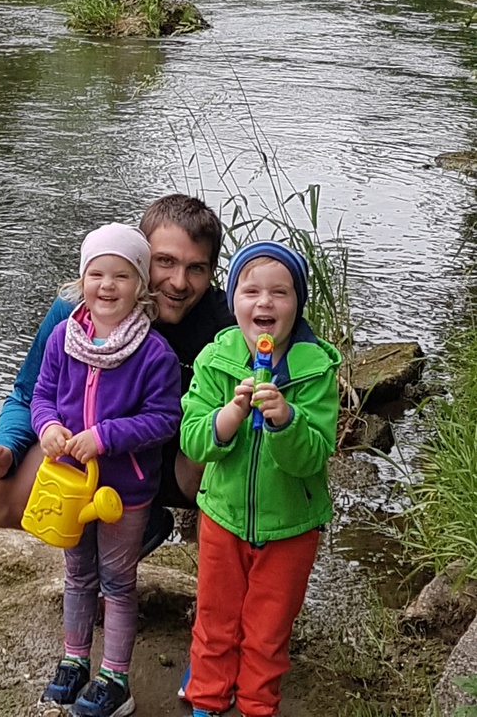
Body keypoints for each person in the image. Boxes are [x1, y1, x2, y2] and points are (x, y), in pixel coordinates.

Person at [0, 194, 233, 544]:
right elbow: (28, 395)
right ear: (140, 256)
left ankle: (201, 547)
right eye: (164, 262)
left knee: (212, 444)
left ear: (211, 272)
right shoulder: (76, 312)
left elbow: (290, 329)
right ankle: (136, 527)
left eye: (196, 268)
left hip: (173, 463)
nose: (179, 282)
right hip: (97, 455)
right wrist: (7, 452)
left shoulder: (226, 326)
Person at [180, 241, 341, 717]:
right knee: (214, 621)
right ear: (233, 302)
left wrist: (285, 421)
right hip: (222, 518)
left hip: (291, 525)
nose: (265, 302)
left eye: (280, 293)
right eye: (250, 291)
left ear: (298, 304)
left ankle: (256, 705)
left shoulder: (316, 371)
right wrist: (230, 414)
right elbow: (193, 439)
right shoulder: (216, 360)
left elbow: (312, 455)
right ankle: (206, 700)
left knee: (268, 631)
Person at [31, 223, 181, 717]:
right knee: (76, 575)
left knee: (117, 581)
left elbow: (164, 418)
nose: (107, 285)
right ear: (81, 281)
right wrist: (48, 426)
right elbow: (42, 396)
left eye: (121, 275)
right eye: (97, 274)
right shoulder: (62, 337)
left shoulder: (154, 352)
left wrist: (105, 436)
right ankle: (74, 661)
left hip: (125, 488)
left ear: (141, 285)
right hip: (71, 483)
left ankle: (115, 678)